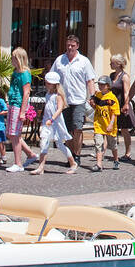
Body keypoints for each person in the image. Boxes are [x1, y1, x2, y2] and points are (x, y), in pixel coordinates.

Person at [53, 35, 96, 169]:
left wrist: (93, 96)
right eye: (68, 45)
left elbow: (90, 80)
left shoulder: (84, 61)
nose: (70, 48)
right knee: (67, 129)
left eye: (72, 45)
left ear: (77, 46)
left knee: (77, 128)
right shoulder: (60, 60)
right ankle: (70, 155)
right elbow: (52, 77)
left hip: (78, 99)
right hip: (63, 100)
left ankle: (77, 154)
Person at [31, 71, 75, 175]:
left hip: (55, 123)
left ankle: (73, 163)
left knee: (60, 144)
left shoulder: (58, 95)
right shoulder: (48, 94)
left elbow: (59, 109)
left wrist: (52, 119)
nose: (46, 85)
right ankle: (41, 167)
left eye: (48, 83)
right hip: (47, 122)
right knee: (44, 143)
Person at [5, 47, 38, 172]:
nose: (12, 60)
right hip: (13, 103)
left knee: (15, 135)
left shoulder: (25, 74)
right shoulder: (15, 72)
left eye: (13, 58)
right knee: (11, 133)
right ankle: (30, 154)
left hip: (18, 105)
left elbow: (26, 93)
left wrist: (23, 111)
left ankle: (18, 163)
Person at [91, 76, 120, 172]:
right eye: (99, 84)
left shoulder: (112, 98)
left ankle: (116, 159)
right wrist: (93, 105)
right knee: (98, 143)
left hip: (109, 125)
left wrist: (111, 124)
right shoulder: (98, 95)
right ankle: (99, 164)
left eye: (102, 85)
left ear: (108, 86)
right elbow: (97, 108)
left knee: (113, 145)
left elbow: (115, 113)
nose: (100, 86)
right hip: (99, 124)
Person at [108, 54, 134, 161]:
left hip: (122, 105)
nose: (110, 64)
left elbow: (126, 92)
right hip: (112, 106)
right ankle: (104, 150)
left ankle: (128, 152)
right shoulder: (111, 75)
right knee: (109, 128)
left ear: (118, 64)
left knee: (124, 130)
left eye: (112, 63)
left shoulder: (124, 76)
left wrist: (126, 104)